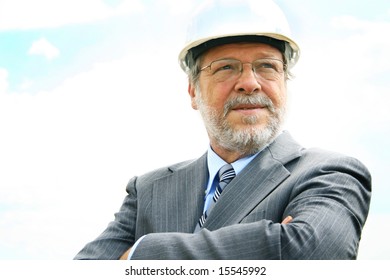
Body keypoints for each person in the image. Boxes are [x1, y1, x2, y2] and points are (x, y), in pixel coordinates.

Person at [74, 0, 371, 260]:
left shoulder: (330, 173)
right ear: (193, 93)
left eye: (266, 66)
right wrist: (266, 245)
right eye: (226, 67)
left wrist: (139, 256)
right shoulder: (148, 191)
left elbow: (309, 254)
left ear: (284, 81)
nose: (250, 83)